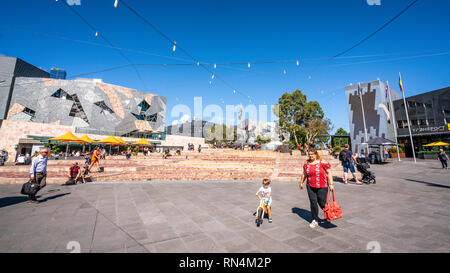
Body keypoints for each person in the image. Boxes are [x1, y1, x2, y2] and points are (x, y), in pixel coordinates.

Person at [300, 148, 334, 228]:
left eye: (312, 154)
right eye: (309, 154)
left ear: (316, 154)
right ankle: (315, 220)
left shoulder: (322, 162)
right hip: (310, 185)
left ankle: (328, 215)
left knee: (322, 203)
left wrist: (331, 184)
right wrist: (301, 182)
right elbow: (304, 174)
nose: (310, 156)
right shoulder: (306, 163)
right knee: (313, 202)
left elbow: (329, 173)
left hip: (322, 186)